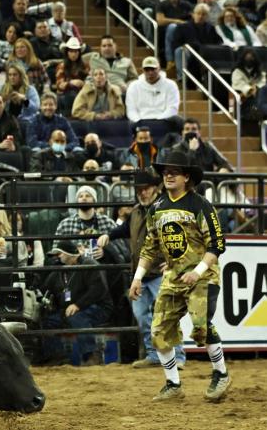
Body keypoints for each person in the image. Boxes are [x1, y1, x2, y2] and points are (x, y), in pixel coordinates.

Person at [132, 151, 230, 402]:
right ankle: (173, 383)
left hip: (204, 276)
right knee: (158, 330)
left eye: (174, 171)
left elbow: (217, 244)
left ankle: (221, 374)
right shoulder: (157, 208)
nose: (168, 175)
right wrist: (138, 277)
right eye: (165, 172)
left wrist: (197, 272)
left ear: (187, 177)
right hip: (174, 277)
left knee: (200, 327)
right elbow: (150, 247)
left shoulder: (200, 205)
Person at [98, 170, 187, 370]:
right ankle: (154, 354)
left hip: (157, 273)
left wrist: (174, 261)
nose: (142, 193)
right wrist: (109, 235)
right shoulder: (137, 212)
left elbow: (181, 236)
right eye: (139, 190)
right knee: (144, 316)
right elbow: (124, 230)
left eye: (145, 189)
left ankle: (178, 356)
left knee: (166, 315)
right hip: (142, 274)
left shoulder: (165, 209)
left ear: (154, 188)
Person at [39, 239, 112, 366]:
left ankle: (92, 354)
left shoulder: (88, 264)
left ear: (70, 254)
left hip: (98, 306)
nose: (57, 257)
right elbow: (44, 288)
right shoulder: (58, 271)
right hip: (70, 309)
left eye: (59, 254)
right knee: (49, 321)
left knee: (76, 316)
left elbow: (98, 290)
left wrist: (78, 305)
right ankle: (57, 357)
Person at [126, 56, 182, 133]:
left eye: (153, 69)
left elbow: (173, 108)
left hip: (164, 121)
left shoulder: (171, 85)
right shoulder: (133, 86)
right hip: (140, 122)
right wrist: (139, 121)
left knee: (178, 120)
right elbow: (131, 109)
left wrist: (158, 122)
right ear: (142, 70)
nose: (150, 72)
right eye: (147, 70)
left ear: (159, 69)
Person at [170, 3, 221, 83]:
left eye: (203, 14)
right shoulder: (183, 27)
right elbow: (175, 43)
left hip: (205, 53)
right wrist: (184, 47)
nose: (200, 16)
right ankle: (182, 78)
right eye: (198, 13)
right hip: (189, 52)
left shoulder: (211, 28)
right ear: (193, 14)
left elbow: (218, 42)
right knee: (180, 51)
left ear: (207, 16)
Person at [55, 37, 89, 116]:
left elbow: (90, 81)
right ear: (67, 52)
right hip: (65, 94)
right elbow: (59, 85)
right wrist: (71, 83)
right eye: (71, 51)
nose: (73, 54)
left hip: (83, 92)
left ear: (79, 53)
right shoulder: (61, 66)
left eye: (76, 51)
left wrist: (83, 84)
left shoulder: (85, 66)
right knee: (71, 96)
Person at [232, 49, 265, 120]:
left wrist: (257, 87)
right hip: (243, 101)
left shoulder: (259, 72)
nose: (249, 59)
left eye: (251, 58)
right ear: (243, 59)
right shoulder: (237, 72)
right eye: (247, 58)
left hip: (258, 98)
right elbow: (238, 85)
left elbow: (262, 83)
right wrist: (250, 89)